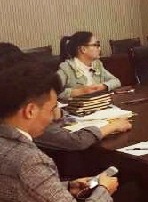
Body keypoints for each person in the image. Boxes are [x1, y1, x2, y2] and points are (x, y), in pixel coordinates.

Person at [0, 61, 119, 202]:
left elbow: (18, 190)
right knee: (132, 199)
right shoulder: (27, 160)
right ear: (30, 111)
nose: (55, 116)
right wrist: (104, 189)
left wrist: (66, 187)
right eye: (52, 108)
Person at [0, 43, 132, 154]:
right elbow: (75, 141)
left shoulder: (97, 64)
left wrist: (57, 113)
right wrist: (112, 126)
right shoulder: (17, 113)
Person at [57, 31, 121, 101]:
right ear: (83, 49)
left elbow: (116, 81)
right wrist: (80, 91)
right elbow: (53, 91)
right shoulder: (67, 68)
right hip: (78, 107)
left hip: (99, 104)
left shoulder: (97, 65)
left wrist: (103, 86)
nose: (99, 48)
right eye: (96, 45)